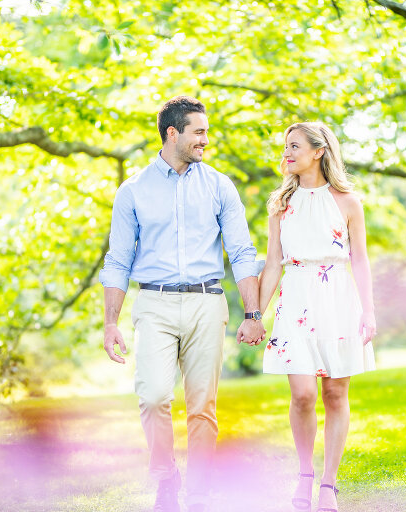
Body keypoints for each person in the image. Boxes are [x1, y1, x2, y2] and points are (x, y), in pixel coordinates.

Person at [99, 95, 266, 512]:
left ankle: (199, 494)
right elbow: (118, 259)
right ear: (172, 133)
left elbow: (242, 251)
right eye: (199, 132)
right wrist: (110, 322)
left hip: (207, 303)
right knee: (153, 396)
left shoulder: (219, 185)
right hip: (153, 304)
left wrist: (253, 312)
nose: (205, 140)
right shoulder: (132, 191)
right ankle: (166, 475)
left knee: (201, 407)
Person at [257, 122, 377, 512]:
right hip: (295, 299)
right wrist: (255, 313)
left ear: (319, 151)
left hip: (339, 298)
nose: (287, 153)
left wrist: (369, 311)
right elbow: (273, 263)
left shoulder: (347, 201)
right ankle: (304, 473)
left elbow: (360, 260)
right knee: (304, 393)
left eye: (294, 146)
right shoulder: (280, 204)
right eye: (285, 146)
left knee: (336, 392)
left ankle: (328, 484)